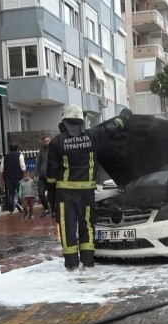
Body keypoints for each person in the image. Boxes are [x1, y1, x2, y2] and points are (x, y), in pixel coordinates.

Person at [47, 105, 131, 270]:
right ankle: (88, 264)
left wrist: (51, 197)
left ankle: (71, 266)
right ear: (80, 120)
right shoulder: (93, 135)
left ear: (64, 120)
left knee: (68, 228)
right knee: (87, 227)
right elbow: (112, 128)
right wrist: (125, 117)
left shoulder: (57, 142)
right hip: (87, 193)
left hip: (65, 195)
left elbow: (51, 174)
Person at [0, 143, 25, 213]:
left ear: (9, 149)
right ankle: (19, 205)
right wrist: (25, 174)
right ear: (17, 148)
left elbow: (1, 168)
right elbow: (23, 166)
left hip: (8, 177)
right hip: (18, 176)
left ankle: (11, 209)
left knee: (11, 193)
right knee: (20, 191)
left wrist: (1, 178)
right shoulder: (20, 155)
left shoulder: (5, 156)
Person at [34, 135, 53, 217]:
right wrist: (36, 174)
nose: (47, 142)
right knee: (41, 193)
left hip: (51, 176)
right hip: (42, 176)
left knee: (51, 194)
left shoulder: (54, 150)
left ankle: (53, 209)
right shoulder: (41, 151)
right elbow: (38, 163)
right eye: (45, 141)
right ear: (43, 142)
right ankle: (46, 208)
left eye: (48, 141)